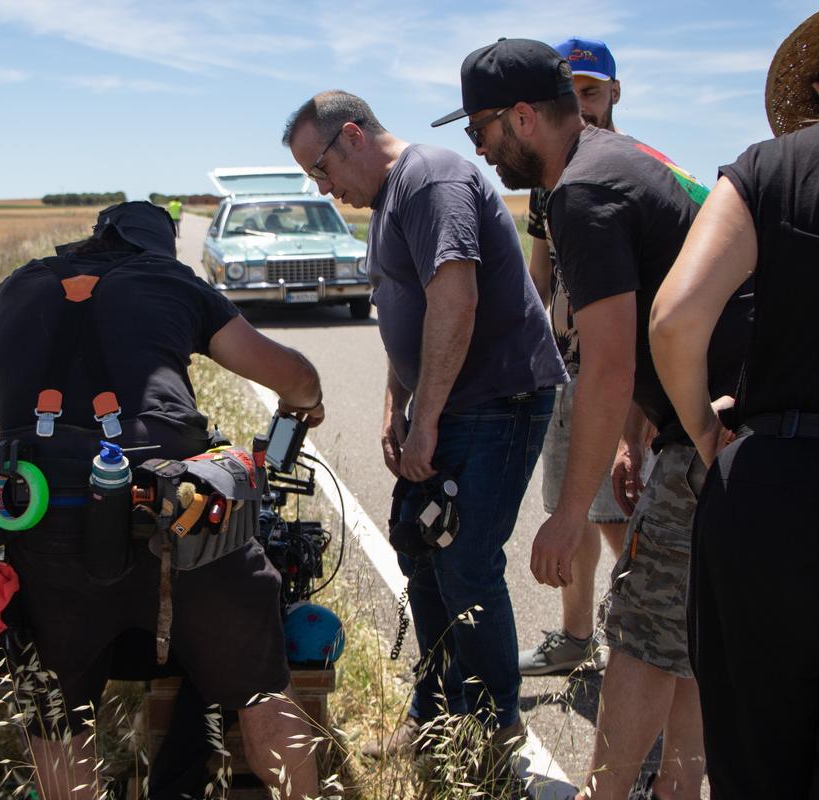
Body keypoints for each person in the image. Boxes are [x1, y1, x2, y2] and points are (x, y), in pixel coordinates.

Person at [435, 38, 751, 799]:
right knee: (685, 631)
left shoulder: (580, 193)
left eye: (479, 129)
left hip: (711, 429)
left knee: (640, 630)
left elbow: (608, 365)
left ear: (521, 118)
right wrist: (638, 438)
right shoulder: (622, 157)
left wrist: (570, 515)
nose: (478, 149)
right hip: (733, 420)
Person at [0, 201, 323, 800]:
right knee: (263, 690)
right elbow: (289, 374)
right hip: (181, 517)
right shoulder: (170, 279)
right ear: (158, 247)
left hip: (40, 517)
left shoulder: (17, 286)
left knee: (58, 722)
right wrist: (306, 400)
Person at [282, 91, 565, 759]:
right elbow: (404, 315)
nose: (322, 188)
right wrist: (396, 406)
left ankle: (496, 730)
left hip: (496, 401)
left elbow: (454, 301)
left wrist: (426, 419)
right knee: (422, 554)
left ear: (353, 136)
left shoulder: (431, 180)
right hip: (450, 405)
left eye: (321, 169)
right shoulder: (387, 202)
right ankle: (433, 715)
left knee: (466, 565)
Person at [650, 3, 819, 796]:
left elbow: (675, 319)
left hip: (771, 493)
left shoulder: (772, 168)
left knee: (755, 763)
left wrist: (707, 435)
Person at [519, 36, 630, 677]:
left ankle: (652, 651)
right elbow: (539, 278)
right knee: (572, 508)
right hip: (565, 371)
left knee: (622, 514)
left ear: (615, 92)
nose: (583, 104)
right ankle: (575, 637)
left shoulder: (628, 169)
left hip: (622, 376)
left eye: (593, 91)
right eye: (572, 92)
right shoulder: (547, 182)